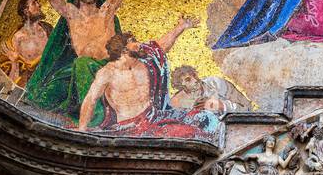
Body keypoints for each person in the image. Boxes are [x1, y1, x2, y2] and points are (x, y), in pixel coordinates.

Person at [78, 17, 218, 140]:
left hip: (154, 117)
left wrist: (181, 26)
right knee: (187, 133)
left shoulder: (145, 62)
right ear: (124, 50)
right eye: (133, 41)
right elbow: (91, 99)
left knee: (203, 117)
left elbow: (160, 46)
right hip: (129, 126)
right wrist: (82, 130)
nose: (139, 44)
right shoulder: (107, 73)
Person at [25, 0, 127, 123]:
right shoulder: (72, 14)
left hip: (105, 66)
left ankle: (96, 118)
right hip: (79, 70)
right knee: (45, 94)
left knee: (82, 64)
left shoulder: (106, 12)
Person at [6, 0, 52, 86]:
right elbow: (15, 75)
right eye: (34, 3)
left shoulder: (47, 28)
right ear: (26, 11)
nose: (39, 5)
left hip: (56, 72)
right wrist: (14, 61)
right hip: (38, 82)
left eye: (37, 3)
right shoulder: (18, 38)